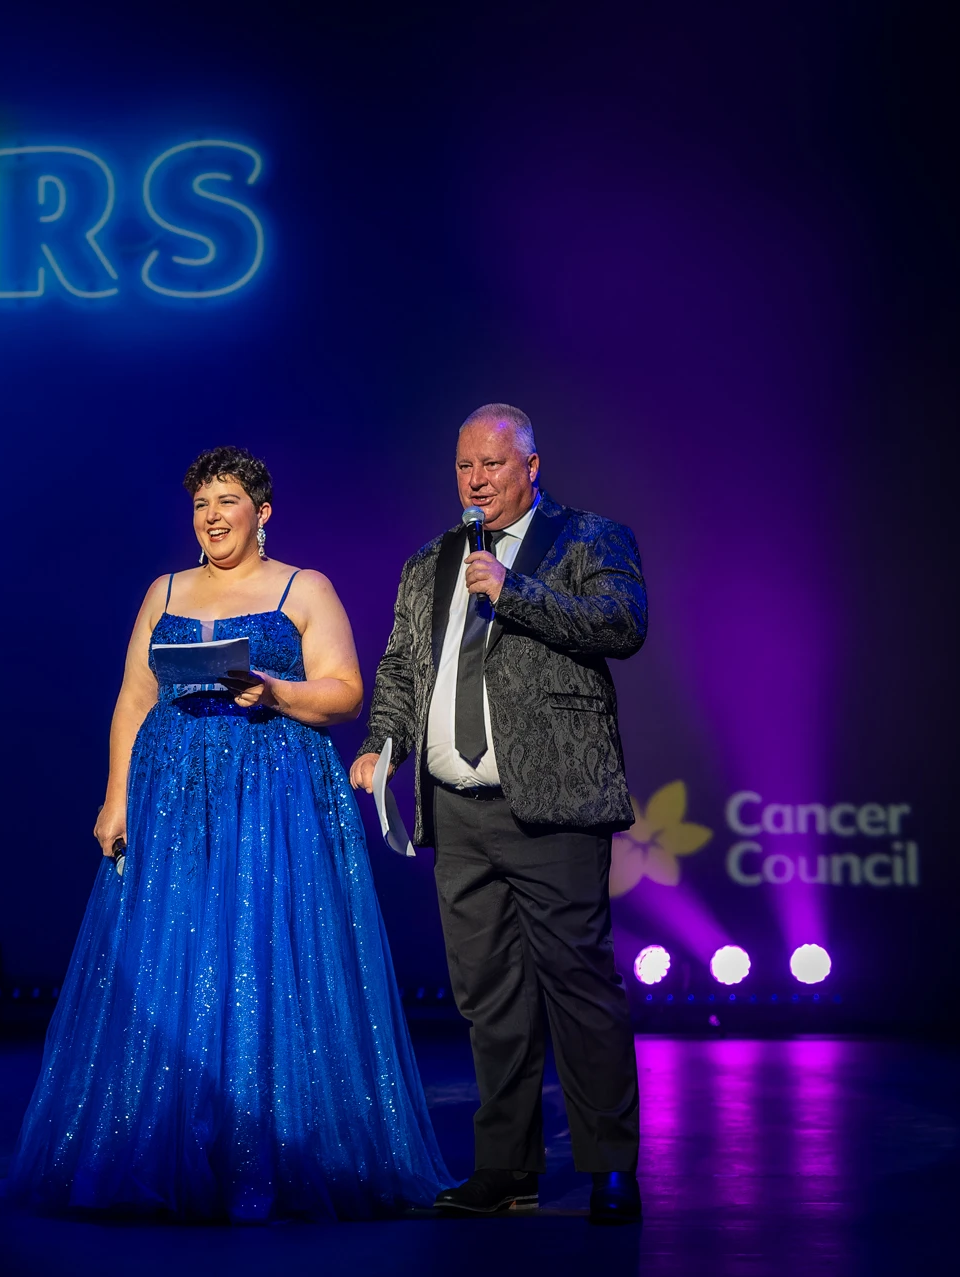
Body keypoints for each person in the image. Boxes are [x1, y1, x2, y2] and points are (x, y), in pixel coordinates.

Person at [1, 446, 451, 1221]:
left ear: (262, 511)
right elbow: (133, 698)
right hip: (174, 798)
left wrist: (273, 690)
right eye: (202, 504)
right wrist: (114, 800)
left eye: (228, 501)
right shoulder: (165, 590)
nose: (212, 517)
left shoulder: (302, 587)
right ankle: (171, 1144)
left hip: (274, 795)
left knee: (266, 959)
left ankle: (274, 1155)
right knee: (176, 960)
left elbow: (346, 693)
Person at [349, 404, 646, 1224]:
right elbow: (403, 666)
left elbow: (623, 625)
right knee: (487, 996)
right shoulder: (431, 561)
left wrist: (517, 592)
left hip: (552, 803)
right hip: (456, 809)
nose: (476, 480)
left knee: (580, 988)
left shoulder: (590, 538)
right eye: (464, 467)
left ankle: (610, 1166)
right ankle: (504, 1168)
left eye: (492, 464)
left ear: (532, 466)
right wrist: (384, 744)